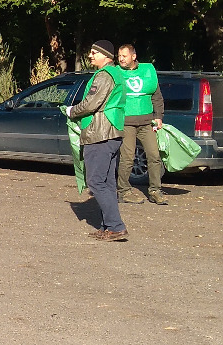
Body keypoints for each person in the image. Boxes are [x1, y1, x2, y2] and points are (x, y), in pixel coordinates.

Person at [66, 39, 129, 241]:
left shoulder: (104, 75)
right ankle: (108, 226)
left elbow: (90, 103)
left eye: (94, 52)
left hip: (99, 134)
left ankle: (116, 226)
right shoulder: (116, 73)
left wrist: (72, 111)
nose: (90, 55)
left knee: (95, 181)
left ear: (106, 56)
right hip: (112, 133)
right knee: (107, 183)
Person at [112, 43, 166, 205]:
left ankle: (155, 190)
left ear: (133, 56)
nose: (121, 59)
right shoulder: (116, 72)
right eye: (119, 56)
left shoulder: (147, 71)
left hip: (146, 123)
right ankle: (123, 191)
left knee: (154, 156)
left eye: (124, 56)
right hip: (126, 123)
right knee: (127, 158)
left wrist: (158, 116)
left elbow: (156, 96)